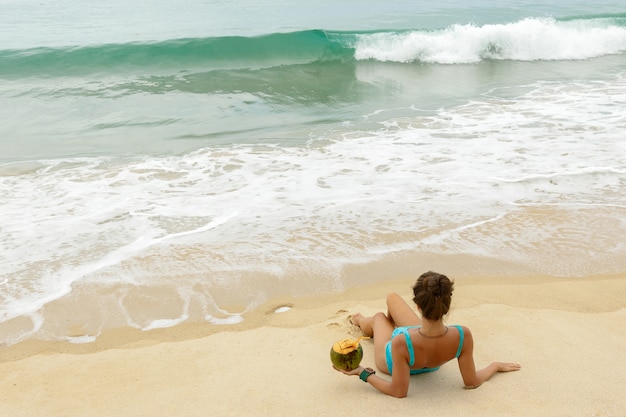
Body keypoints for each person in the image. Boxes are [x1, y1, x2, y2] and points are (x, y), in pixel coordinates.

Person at [335, 271, 521, 398]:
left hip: (394, 358)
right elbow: (471, 381)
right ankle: (384, 324)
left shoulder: (400, 341)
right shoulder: (463, 335)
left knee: (378, 318)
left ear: (418, 305)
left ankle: (359, 321)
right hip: (426, 356)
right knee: (392, 298)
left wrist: (362, 372)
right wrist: (495, 366)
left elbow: (399, 391)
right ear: (446, 306)